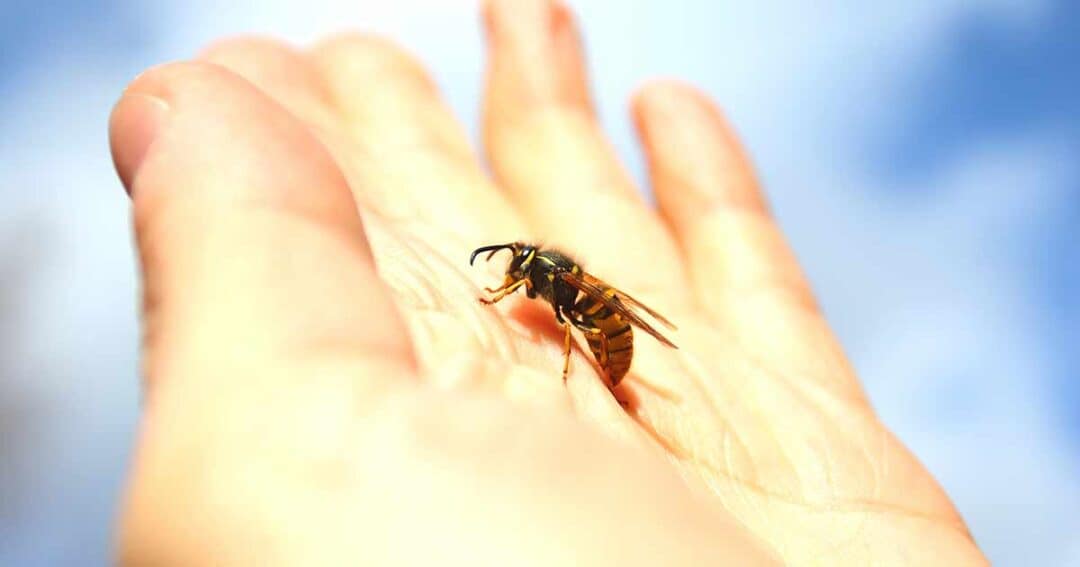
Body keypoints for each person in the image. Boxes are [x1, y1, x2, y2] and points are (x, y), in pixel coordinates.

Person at [108, 0, 988, 564]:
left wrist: (587, 355)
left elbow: (589, 314)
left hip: (611, 352)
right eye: (517, 271)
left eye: (520, 271)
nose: (519, 277)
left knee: (591, 327)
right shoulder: (544, 278)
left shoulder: (573, 297)